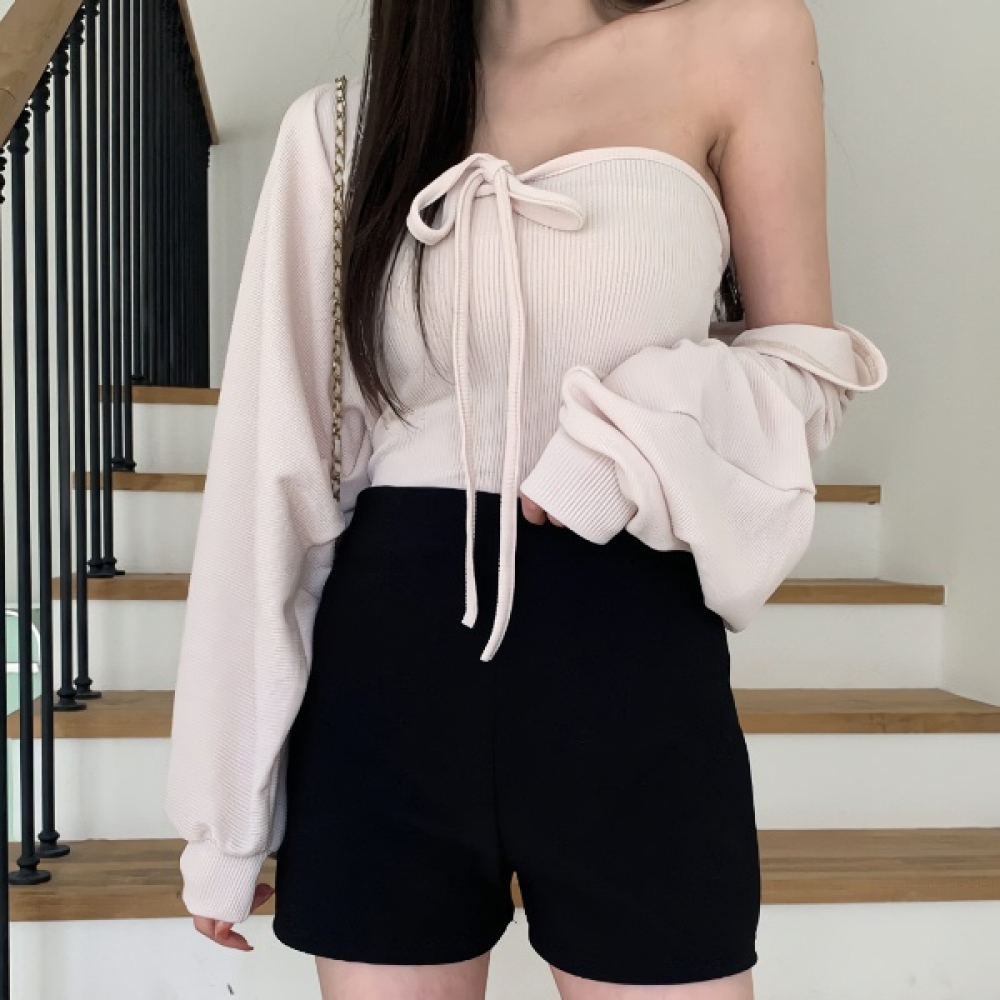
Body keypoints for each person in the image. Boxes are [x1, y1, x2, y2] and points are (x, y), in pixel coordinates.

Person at [165, 0, 888, 997]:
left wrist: (614, 450)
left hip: (631, 658)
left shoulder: (740, 39)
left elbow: (805, 371)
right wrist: (225, 818)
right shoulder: (340, 126)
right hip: (386, 678)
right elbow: (273, 471)